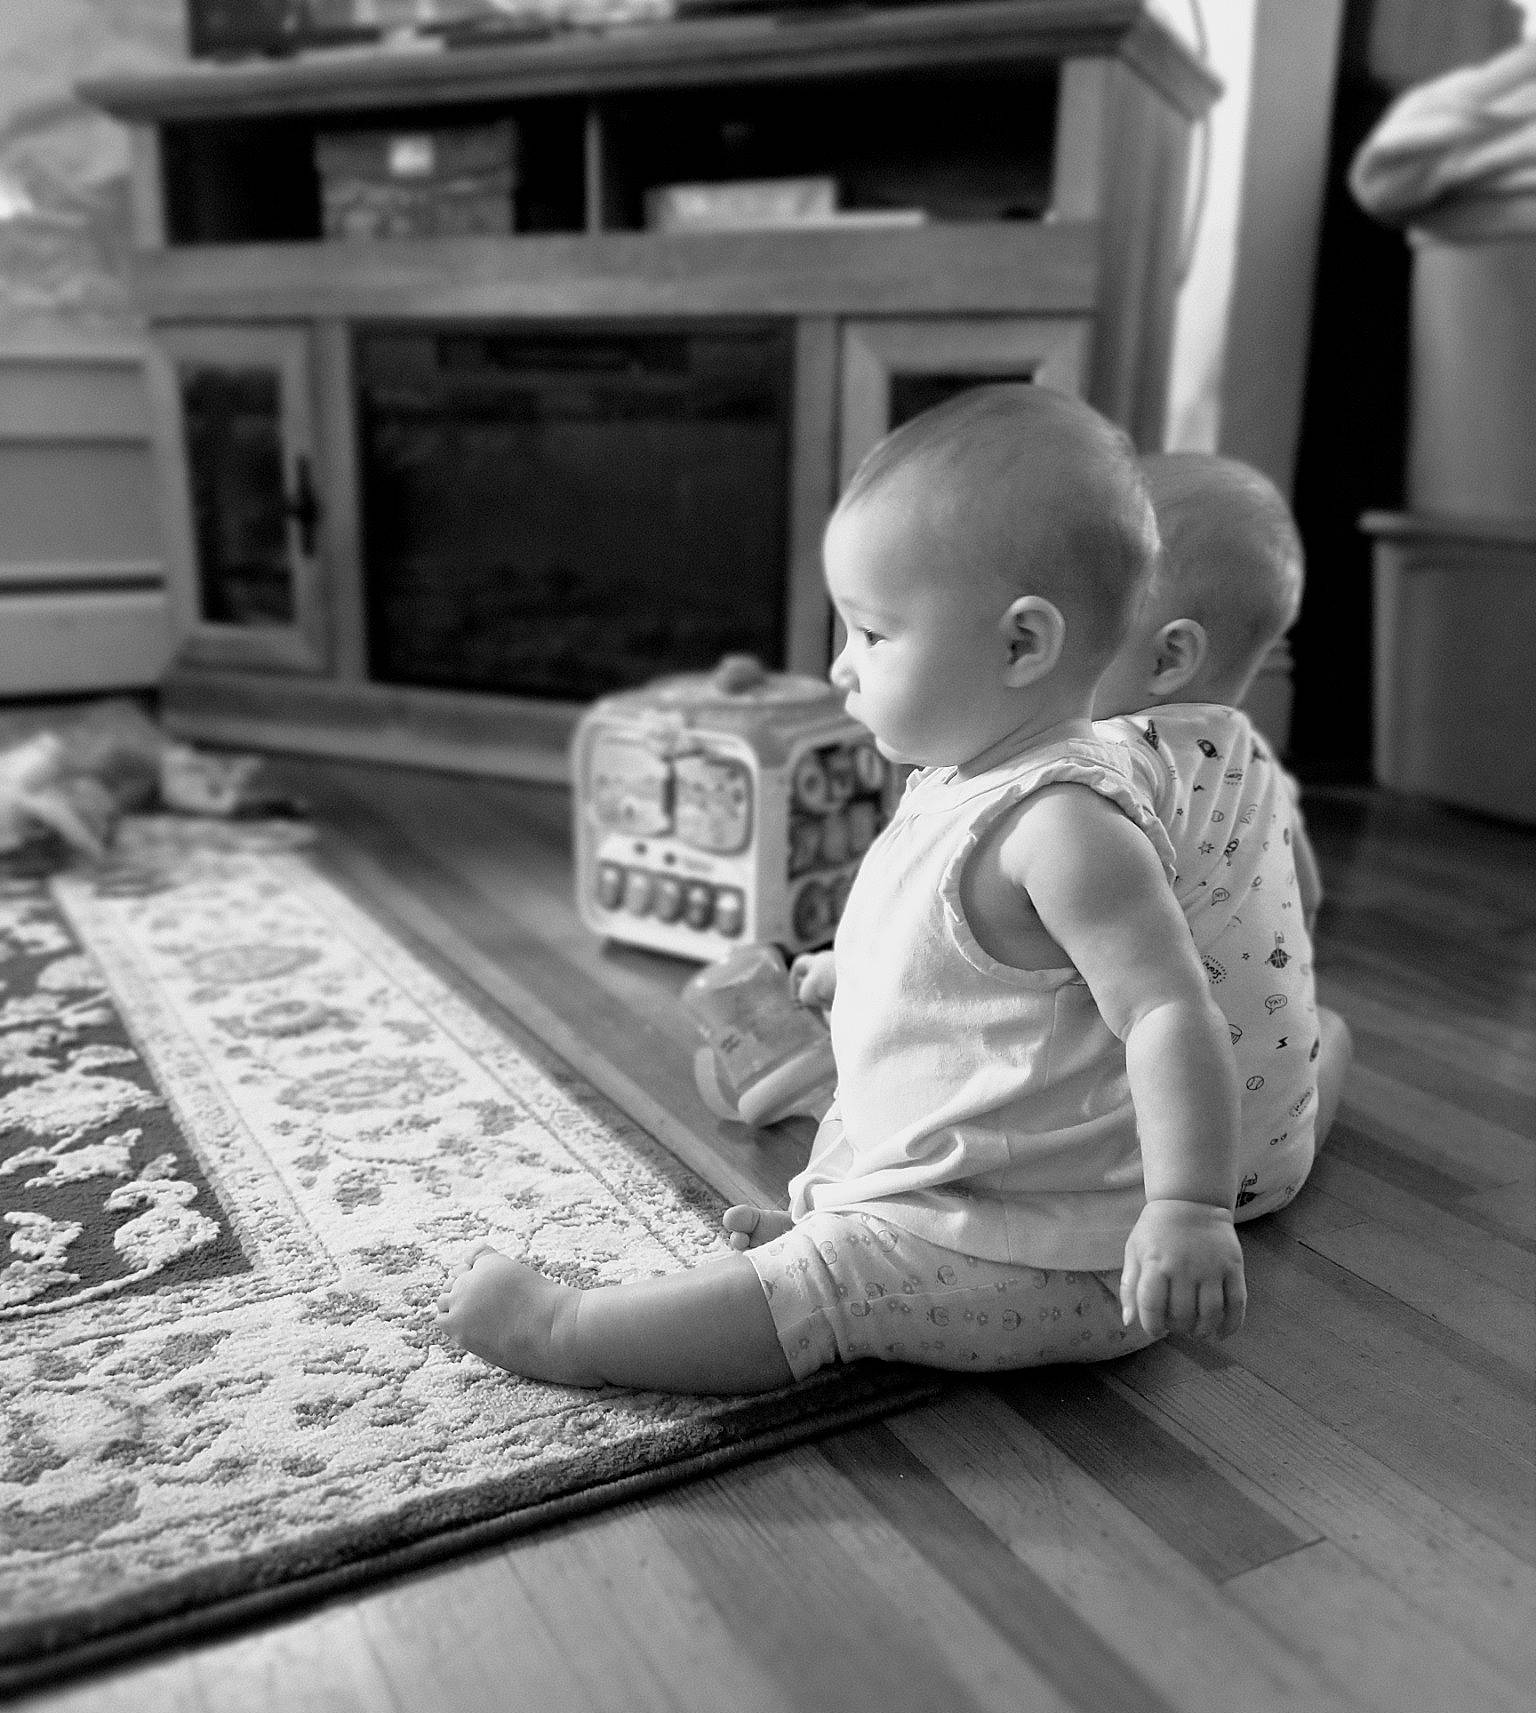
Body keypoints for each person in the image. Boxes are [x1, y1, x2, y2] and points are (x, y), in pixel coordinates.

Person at [436, 386, 1246, 1393]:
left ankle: (573, 1332)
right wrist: (846, 971)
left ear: (1021, 644)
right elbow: (970, 953)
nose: (839, 667)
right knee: (840, 1184)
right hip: (965, 1194)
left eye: (872, 633)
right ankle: (864, 1238)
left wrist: (1188, 1207)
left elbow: (1170, 1010)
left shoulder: (1068, 827)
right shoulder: (964, 775)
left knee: (825, 1287)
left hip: (1052, 1254)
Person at [1090, 451, 1352, 1212]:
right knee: (1330, 1028)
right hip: (1268, 1167)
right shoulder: (1256, 758)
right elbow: (1307, 896)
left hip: (1135, 1170)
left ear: (1170, 656)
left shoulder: (1098, 768)